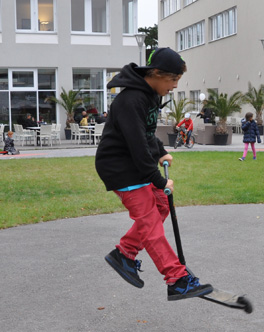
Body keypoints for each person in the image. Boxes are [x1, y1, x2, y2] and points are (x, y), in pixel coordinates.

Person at [95, 47, 213, 301]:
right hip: (120, 166)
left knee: (160, 206)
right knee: (150, 222)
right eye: (172, 81)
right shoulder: (131, 100)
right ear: (157, 74)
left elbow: (147, 133)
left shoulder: (149, 95)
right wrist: (159, 180)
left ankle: (125, 253)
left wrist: (160, 151)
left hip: (133, 163)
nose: (174, 87)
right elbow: (137, 146)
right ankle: (177, 279)